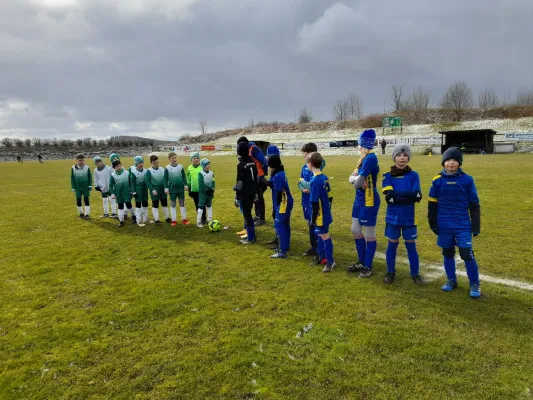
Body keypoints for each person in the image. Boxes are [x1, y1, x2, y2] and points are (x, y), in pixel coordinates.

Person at [428, 147, 482, 298]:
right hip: (444, 224)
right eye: (448, 160)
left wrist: (476, 225)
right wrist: (433, 223)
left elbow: (474, 204)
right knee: (447, 252)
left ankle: (475, 284)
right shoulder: (437, 180)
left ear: (459, 163)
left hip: (462, 224)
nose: (451, 163)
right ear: (443, 163)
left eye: (454, 160)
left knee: (467, 254)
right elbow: (432, 204)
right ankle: (451, 280)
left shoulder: (467, 179)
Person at [382, 144, 425, 285]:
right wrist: (408, 195)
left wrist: (397, 195)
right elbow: (389, 197)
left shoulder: (414, 175)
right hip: (393, 216)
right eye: (399, 155)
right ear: (394, 157)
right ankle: (390, 272)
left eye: (405, 155)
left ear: (408, 158)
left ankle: (415, 274)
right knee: (392, 244)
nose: (402, 158)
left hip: (409, 217)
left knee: (411, 245)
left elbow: (417, 196)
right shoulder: (387, 176)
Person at [348, 129, 381, 278]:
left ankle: (367, 266)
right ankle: (361, 261)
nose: (358, 147)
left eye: (359, 144)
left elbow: (355, 183)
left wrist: (355, 180)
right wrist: (355, 179)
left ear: (363, 144)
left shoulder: (370, 159)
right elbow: (352, 179)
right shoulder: (362, 159)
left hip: (369, 199)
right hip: (359, 199)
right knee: (355, 229)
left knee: (369, 234)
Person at [298, 142, 326, 259]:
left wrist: (308, 188)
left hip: (313, 201)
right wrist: (302, 187)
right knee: (310, 224)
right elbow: (300, 182)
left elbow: (312, 185)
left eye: (304, 153)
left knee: (314, 224)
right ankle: (313, 248)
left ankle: (318, 249)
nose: (303, 156)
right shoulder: (304, 167)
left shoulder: (316, 168)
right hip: (305, 200)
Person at [308, 152, 335, 272]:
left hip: (320, 215)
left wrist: (312, 220)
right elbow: (330, 196)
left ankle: (330, 262)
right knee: (320, 235)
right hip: (325, 212)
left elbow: (314, 203)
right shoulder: (324, 177)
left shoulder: (314, 181)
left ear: (310, 164)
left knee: (324, 236)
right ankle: (322, 258)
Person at [236, 136, 268, 226]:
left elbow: (263, 160)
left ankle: (261, 218)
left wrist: (264, 173)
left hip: (259, 175)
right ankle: (258, 215)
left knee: (259, 196)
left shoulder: (254, 148)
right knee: (255, 196)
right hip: (254, 175)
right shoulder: (248, 150)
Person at [268, 154, 293, 258]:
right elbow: (273, 184)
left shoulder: (278, 176)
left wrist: (277, 208)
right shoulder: (280, 173)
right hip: (287, 201)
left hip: (283, 203)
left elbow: (278, 192)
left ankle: (282, 252)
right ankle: (285, 246)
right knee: (285, 224)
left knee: (279, 225)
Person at [235, 142, 259, 244]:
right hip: (253, 191)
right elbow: (256, 178)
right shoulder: (252, 162)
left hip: (245, 193)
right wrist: (257, 193)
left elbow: (239, 182)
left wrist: (237, 196)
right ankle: (251, 234)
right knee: (249, 213)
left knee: (247, 215)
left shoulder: (241, 165)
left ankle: (251, 238)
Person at [164, 152, 189, 226]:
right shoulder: (167, 168)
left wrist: (185, 185)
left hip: (181, 189)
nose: (174, 159)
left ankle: (184, 219)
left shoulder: (180, 167)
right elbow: (165, 179)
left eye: (175, 158)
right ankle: (174, 220)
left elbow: (184, 177)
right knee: (173, 204)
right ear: (169, 159)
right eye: (172, 158)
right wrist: (166, 187)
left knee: (182, 204)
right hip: (172, 190)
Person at [146, 155, 170, 225]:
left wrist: (166, 187)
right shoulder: (149, 171)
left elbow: (166, 179)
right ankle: (157, 220)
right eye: (154, 163)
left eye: (157, 162)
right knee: (155, 205)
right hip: (155, 192)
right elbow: (148, 182)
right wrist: (152, 189)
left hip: (163, 191)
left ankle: (167, 218)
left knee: (164, 204)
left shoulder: (162, 169)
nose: (156, 164)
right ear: (151, 163)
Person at [109, 160, 134, 227]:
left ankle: (133, 216)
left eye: (120, 166)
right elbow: (110, 185)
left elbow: (131, 182)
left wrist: (132, 191)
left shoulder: (127, 173)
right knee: (120, 207)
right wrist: (112, 193)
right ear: (114, 168)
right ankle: (121, 221)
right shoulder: (113, 175)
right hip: (118, 194)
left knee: (129, 205)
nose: (119, 167)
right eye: (117, 166)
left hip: (127, 192)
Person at [265, 144, 281, 246]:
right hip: (275, 198)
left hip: (279, 200)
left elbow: (276, 186)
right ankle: (278, 237)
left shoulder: (278, 172)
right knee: (275, 216)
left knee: (278, 217)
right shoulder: (274, 170)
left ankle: (281, 240)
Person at [187, 152, 206, 225]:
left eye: (197, 158)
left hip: (201, 190)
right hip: (194, 190)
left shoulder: (202, 167)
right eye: (194, 158)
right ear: (191, 159)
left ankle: (204, 218)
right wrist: (189, 189)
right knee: (197, 205)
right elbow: (189, 179)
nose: (196, 160)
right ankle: (199, 217)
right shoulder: (189, 168)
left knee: (202, 204)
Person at [130, 156, 149, 227]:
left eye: (142, 162)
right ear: (136, 164)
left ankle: (145, 218)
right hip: (138, 190)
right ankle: (138, 220)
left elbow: (148, 180)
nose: (141, 164)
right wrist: (134, 192)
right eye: (139, 163)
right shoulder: (133, 172)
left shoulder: (146, 171)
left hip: (144, 189)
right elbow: (132, 183)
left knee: (145, 203)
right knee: (138, 205)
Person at [71, 153, 92, 219]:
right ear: (76, 160)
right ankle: (81, 213)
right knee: (78, 201)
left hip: (85, 187)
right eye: (80, 160)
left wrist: (90, 185)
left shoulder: (87, 167)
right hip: (78, 188)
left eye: (82, 160)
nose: (81, 161)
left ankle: (87, 214)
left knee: (86, 200)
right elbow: (72, 178)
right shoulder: (73, 168)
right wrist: (73, 187)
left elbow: (90, 177)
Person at [196, 158, 215, 227]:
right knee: (201, 207)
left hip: (210, 193)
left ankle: (210, 220)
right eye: (207, 165)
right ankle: (198, 221)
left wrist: (212, 189)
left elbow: (213, 181)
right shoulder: (200, 173)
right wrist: (207, 190)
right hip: (203, 193)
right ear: (203, 166)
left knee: (209, 205)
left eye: (209, 164)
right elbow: (201, 184)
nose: (208, 166)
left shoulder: (211, 173)